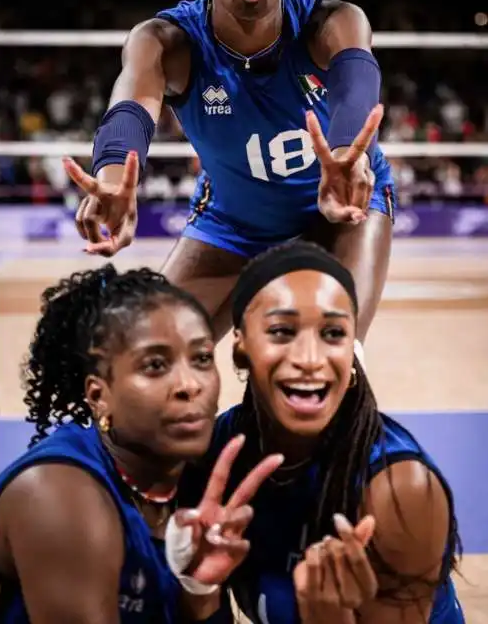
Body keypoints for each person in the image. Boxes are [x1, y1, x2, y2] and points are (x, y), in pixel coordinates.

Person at [64, 0, 394, 345]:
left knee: (333, 357)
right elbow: (131, 105)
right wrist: (114, 177)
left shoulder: (333, 22)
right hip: (233, 220)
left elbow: (357, 83)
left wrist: (347, 152)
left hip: (338, 210)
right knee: (147, 347)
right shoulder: (164, 40)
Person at [170, 242, 464, 623]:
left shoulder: (399, 490)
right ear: (240, 346)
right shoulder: (217, 453)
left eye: (333, 333)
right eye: (281, 331)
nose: (309, 359)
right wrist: (199, 589)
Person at [0, 265, 283, 623]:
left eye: (202, 359)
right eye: (155, 365)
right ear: (99, 396)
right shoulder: (59, 496)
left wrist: (200, 590)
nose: (189, 384)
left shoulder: (185, 485)